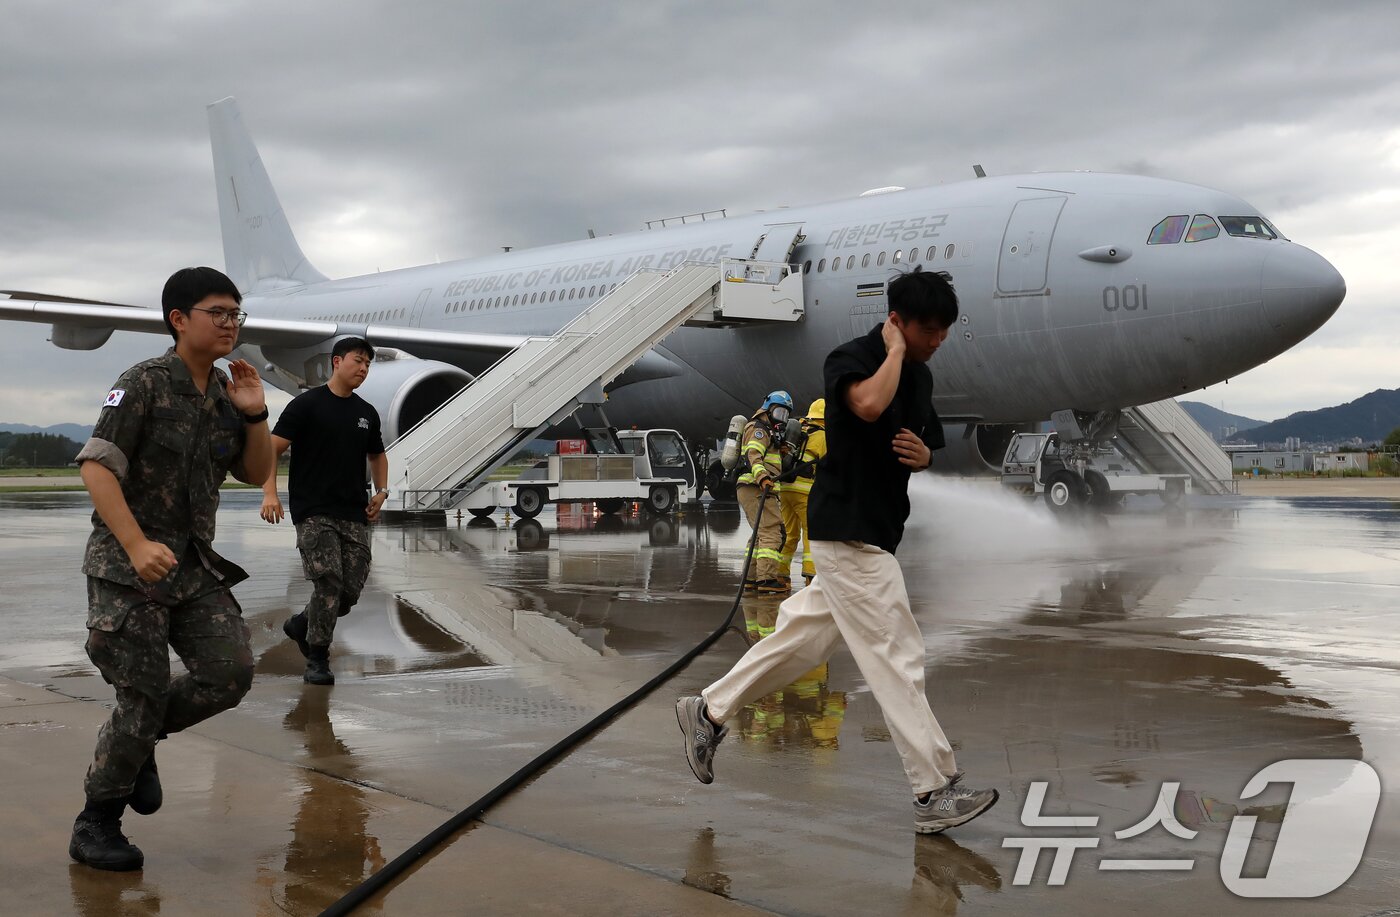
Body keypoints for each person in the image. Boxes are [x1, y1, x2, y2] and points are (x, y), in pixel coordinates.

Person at [676, 268, 999, 835]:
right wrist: (894, 353)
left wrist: (924, 456)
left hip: (876, 531)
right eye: (927, 330)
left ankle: (708, 711)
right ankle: (933, 790)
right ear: (896, 323)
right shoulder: (848, 360)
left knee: (801, 643)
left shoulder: (919, 377)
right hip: (847, 534)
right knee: (897, 655)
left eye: (945, 331)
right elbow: (870, 406)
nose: (938, 340)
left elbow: (923, 448)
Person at [70, 266, 273, 871]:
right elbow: (97, 467)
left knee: (229, 673)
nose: (231, 324)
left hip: (192, 568)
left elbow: (254, 470)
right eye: (219, 312)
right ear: (179, 319)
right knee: (142, 692)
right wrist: (133, 544)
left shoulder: (224, 393)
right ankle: (96, 821)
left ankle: (143, 742)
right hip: (128, 569)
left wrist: (256, 413)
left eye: (237, 314)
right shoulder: (142, 384)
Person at [260, 337, 388, 686]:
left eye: (368, 364)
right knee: (329, 583)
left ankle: (301, 624)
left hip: (353, 512)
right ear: (336, 361)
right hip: (314, 510)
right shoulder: (306, 405)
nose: (363, 368)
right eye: (358, 361)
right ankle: (318, 658)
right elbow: (270, 449)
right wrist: (269, 493)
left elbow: (377, 455)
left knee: (348, 593)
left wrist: (382, 491)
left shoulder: (366, 413)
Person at [735, 390, 793, 594]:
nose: (782, 419)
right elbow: (754, 455)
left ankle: (751, 579)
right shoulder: (759, 429)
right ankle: (767, 579)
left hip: (754, 488)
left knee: (760, 535)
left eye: (786, 415)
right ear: (768, 410)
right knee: (771, 532)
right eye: (779, 413)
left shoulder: (769, 432)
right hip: (755, 486)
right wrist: (763, 478)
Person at [778, 398, 826, 588]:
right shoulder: (822, 436)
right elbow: (829, 464)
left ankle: (780, 575)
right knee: (810, 533)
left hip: (785, 488)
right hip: (805, 492)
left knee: (789, 534)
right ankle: (810, 577)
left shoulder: (798, 430)